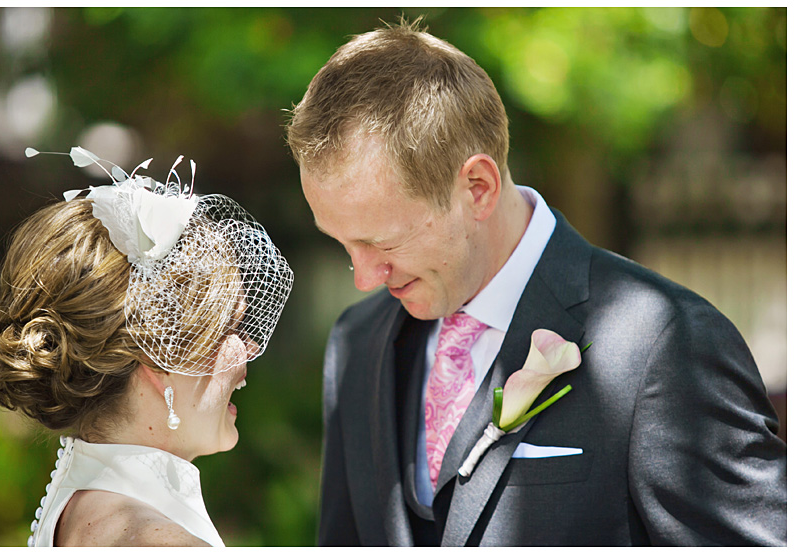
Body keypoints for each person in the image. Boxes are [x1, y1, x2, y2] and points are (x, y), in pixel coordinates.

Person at [286, 20, 786, 546]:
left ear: (477, 188)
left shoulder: (665, 346)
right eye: (343, 244)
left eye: (384, 244)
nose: (364, 278)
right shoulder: (356, 343)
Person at [0, 148, 293, 546]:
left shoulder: (81, 510)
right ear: (158, 355)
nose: (248, 348)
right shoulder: (155, 541)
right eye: (229, 329)